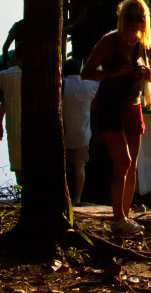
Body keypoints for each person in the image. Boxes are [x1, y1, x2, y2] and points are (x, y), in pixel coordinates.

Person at [82, 0, 151, 236]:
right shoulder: (109, 42)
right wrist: (114, 73)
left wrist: (148, 75)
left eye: (140, 18)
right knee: (122, 162)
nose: (136, 22)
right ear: (122, 18)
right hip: (110, 106)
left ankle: (124, 218)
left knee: (132, 165)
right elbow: (86, 73)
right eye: (131, 17)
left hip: (133, 106)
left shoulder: (145, 46)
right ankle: (118, 219)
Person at [0, 41, 24, 185]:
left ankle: (22, 195)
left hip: (13, 128)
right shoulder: (34, 76)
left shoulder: (5, 75)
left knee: (17, 164)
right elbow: (4, 101)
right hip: (31, 127)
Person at [62, 57, 99, 203]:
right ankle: (77, 199)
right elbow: (101, 84)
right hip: (82, 134)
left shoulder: (62, 85)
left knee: (62, 167)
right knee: (79, 167)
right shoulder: (89, 86)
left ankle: (62, 198)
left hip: (63, 132)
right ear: (80, 71)